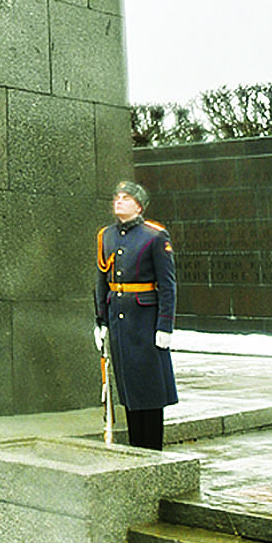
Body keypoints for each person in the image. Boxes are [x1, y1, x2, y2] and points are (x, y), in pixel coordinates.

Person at [96, 179, 178, 450]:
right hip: (119, 321)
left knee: (150, 389)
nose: (119, 201)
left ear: (139, 206)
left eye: (126, 198)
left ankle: (151, 449)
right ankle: (136, 447)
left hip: (145, 321)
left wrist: (165, 326)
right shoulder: (106, 236)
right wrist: (101, 320)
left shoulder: (154, 236)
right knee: (129, 388)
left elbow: (167, 285)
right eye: (117, 197)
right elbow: (102, 280)